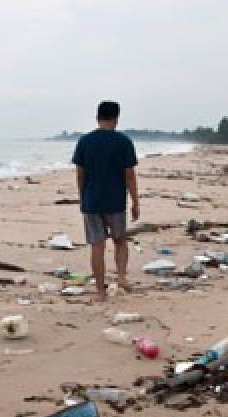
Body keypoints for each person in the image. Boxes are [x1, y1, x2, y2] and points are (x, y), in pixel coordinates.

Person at [71, 100, 139, 300]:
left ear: (97, 117)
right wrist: (135, 201)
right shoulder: (124, 142)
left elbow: (80, 174)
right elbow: (130, 175)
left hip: (92, 200)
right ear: (116, 118)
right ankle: (121, 277)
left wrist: (82, 197)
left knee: (97, 246)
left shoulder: (85, 141)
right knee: (120, 241)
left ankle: (101, 291)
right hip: (116, 201)